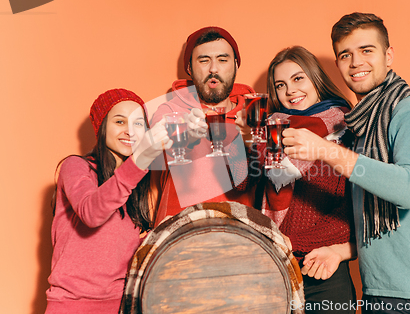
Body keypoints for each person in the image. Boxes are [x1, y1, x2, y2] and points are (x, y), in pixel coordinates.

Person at [283, 13, 410, 313]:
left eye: (367, 51)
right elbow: (369, 220)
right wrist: (339, 251)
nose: (356, 63)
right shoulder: (362, 126)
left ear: (388, 55)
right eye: (345, 55)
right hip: (379, 291)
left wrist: (326, 151)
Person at [45, 89, 172, 314]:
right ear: (101, 127)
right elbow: (91, 212)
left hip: (121, 307)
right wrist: (140, 160)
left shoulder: (135, 186)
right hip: (71, 306)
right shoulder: (76, 167)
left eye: (138, 124)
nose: (130, 131)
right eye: (119, 121)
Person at [259, 46, 356, 313]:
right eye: (281, 85)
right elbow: (247, 192)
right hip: (273, 270)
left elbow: (352, 210)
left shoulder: (346, 129)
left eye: (298, 78)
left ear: (316, 78)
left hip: (322, 269)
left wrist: (289, 242)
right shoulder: (270, 133)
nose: (290, 90)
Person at [151, 26, 258, 225]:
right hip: (178, 235)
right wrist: (185, 133)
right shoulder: (170, 111)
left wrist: (249, 141)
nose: (213, 69)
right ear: (190, 68)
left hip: (242, 238)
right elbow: (158, 139)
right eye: (204, 60)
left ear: (235, 65)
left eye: (222, 59)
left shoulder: (254, 116)